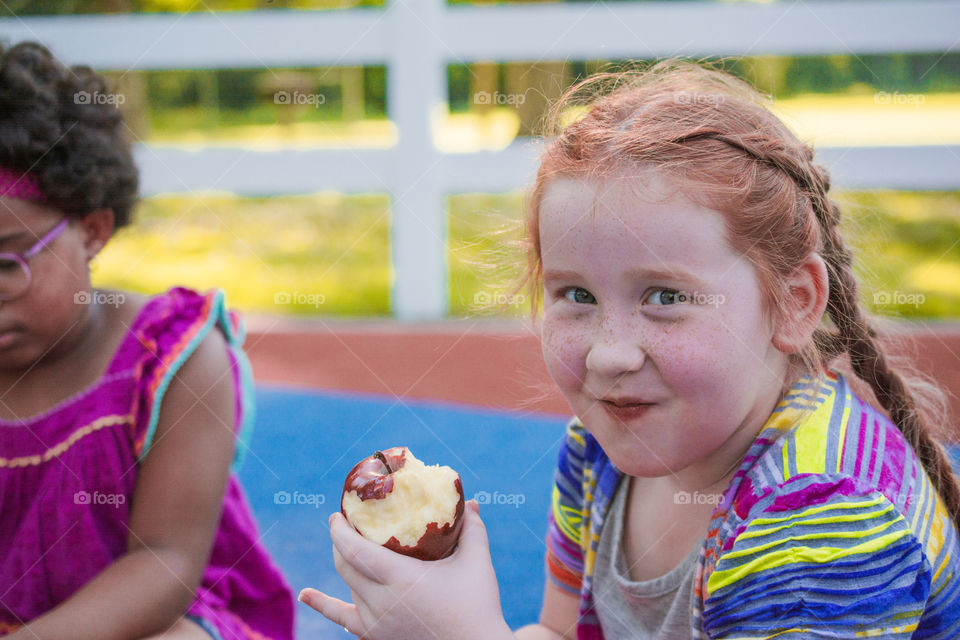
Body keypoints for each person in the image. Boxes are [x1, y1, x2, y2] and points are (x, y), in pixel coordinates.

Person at [298, 59, 960, 639]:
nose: (609, 356)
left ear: (792, 303)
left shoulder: (821, 518)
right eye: (577, 296)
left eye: (665, 297)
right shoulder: (598, 451)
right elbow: (560, 631)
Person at [0, 42, 294, 639]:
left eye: (7, 262)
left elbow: (165, 563)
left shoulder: (171, 359)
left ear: (92, 229)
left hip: (158, 618)